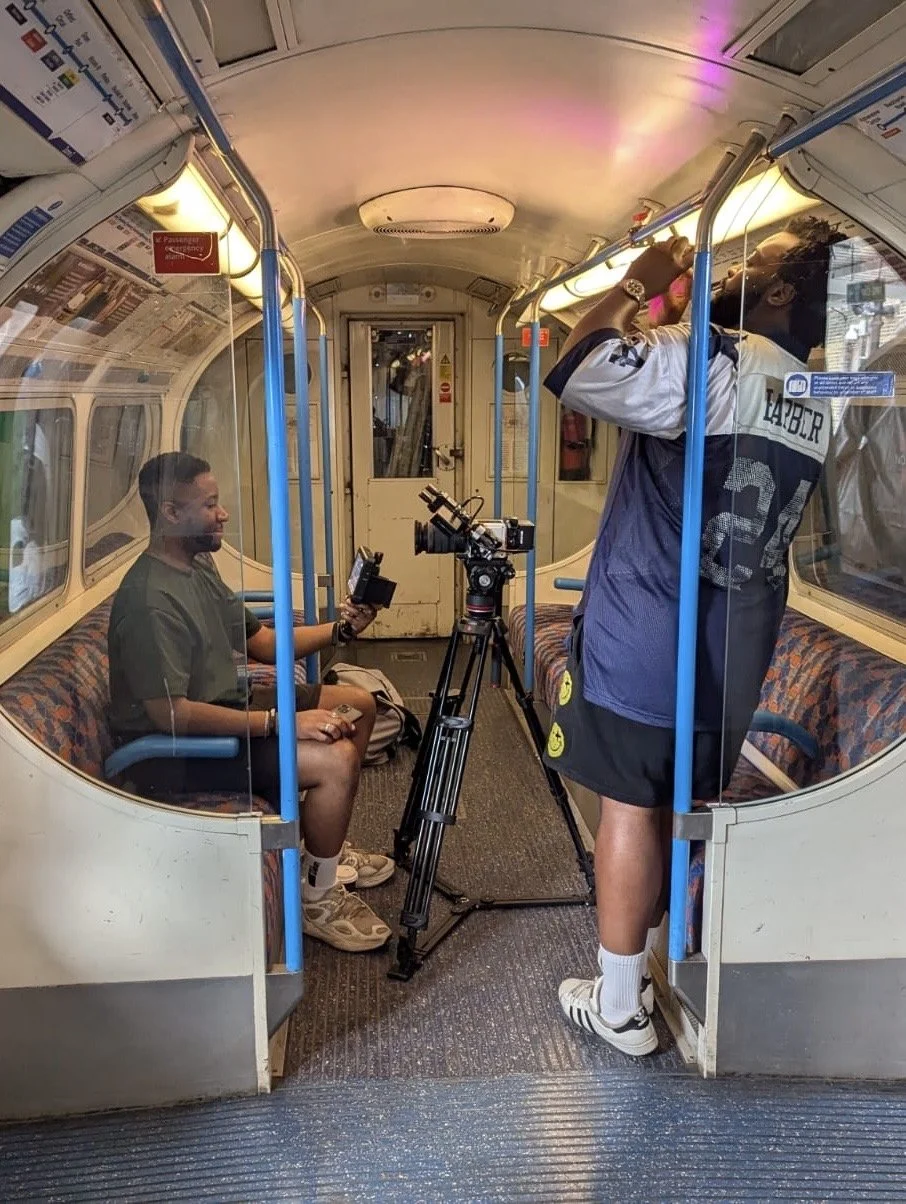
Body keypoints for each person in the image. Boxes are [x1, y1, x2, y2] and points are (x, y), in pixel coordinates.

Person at [542, 216, 845, 1055]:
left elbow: (577, 368)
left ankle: (620, 1008)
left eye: (756, 261)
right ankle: (641, 971)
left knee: (629, 807)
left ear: (777, 292)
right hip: (735, 651)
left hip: (647, 638)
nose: (736, 269)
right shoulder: (817, 399)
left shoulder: (712, 356)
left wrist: (638, 282)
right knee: (672, 801)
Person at [108, 451, 395, 953]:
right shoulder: (150, 600)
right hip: (178, 754)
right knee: (336, 759)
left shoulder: (196, 568)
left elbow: (262, 643)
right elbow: (171, 715)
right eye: (209, 505)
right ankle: (317, 897)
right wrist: (279, 722)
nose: (222, 514)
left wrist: (342, 629)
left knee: (359, 705)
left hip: (227, 709)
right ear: (171, 513)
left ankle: (320, 850)